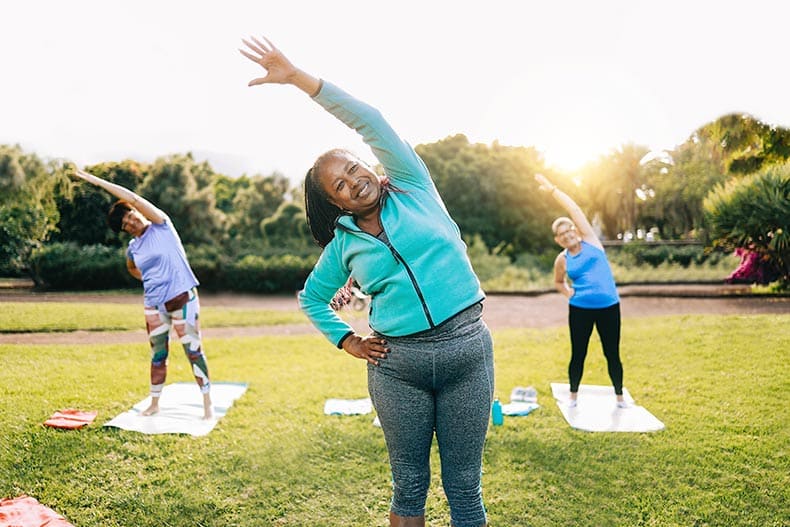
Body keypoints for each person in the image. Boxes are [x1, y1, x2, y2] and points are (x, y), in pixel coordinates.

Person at [240, 36, 494, 527]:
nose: (353, 179)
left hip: (467, 352)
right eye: (340, 184)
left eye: (354, 167)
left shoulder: (413, 185)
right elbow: (312, 298)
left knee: (464, 486)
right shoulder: (343, 247)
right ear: (336, 204)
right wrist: (348, 341)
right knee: (409, 487)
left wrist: (299, 79)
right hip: (399, 367)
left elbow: (371, 121)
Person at [72, 169, 213, 419]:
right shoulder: (133, 248)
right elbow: (132, 268)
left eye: (129, 216)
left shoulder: (161, 226)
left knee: (193, 351)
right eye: (124, 225)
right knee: (158, 355)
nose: (130, 223)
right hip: (154, 307)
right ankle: (154, 403)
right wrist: (149, 279)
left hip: (182, 300)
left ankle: (207, 404)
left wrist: (94, 181)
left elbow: (133, 198)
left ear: (135, 211)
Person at [535, 173, 627, 409]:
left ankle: (620, 397)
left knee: (612, 353)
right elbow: (558, 282)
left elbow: (574, 209)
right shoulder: (562, 260)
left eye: (569, 230)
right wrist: (569, 293)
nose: (567, 235)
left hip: (609, 308)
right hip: (580, 310)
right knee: (579, 354)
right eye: (562, 234)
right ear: (558, 240)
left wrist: (552, 190)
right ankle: (573, 397)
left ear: (575, 230)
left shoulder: (591, 242)